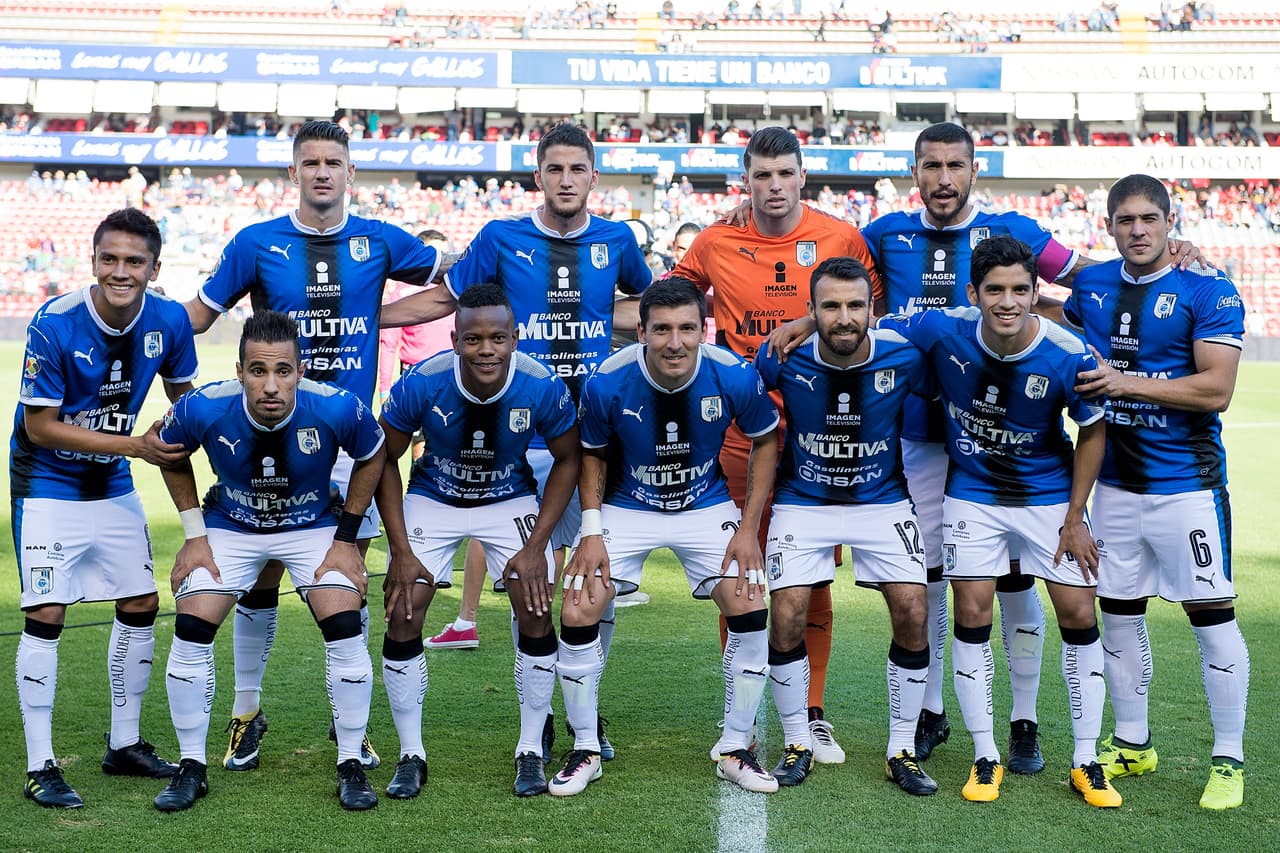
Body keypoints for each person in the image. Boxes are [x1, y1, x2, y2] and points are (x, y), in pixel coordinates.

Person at [764, 120, 1201, 769]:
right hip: (915, 436)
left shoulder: (1017, 232)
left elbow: (1086, 279)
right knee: (933, 580)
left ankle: (1022, 719)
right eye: (931, 166)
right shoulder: (883, 233)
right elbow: (848, 299)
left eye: (955, 166)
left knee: (1017, 579)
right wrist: (806, 316)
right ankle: (932, 711)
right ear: (914, 171)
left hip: (1007, 443)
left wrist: (1170, 255)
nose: (943, 178)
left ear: (975, 171)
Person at [183, 119, 453, 772]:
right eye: (311, 163)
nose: (323, 172)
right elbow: (196, 316)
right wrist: (130, 325)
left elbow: (448, 288)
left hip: (348, 438)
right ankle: (247, 710)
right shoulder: (257, 243)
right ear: (294, 173)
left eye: (335, 161)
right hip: (269, 429)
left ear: (351, 172)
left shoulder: (381, 240)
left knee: (345, 577)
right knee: (262, 574)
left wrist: (374, 316)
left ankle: (348, 724)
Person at [383, 121, 651, 763]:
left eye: (576, 170)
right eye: (553, 169)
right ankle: (542, 721)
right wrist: (369, 318)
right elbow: (447, 302)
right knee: (531, 584)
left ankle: (583, 702)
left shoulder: (617, 240)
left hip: (590, 437)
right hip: (513, 431)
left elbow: (646, 306)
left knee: (591, 578)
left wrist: (596, 318)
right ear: (539, 175)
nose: (565, 180)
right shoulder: (501, 237)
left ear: (593, 176)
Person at [879, 235, 1119, 808]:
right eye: (995, 291)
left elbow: (1093, 429)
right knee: (970, 611)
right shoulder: (942, 329)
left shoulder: (1069, 353)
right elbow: (863, 322)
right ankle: (986, 756)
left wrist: (1075, 516)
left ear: (1036, 292)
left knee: (1079, 611)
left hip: (1047, 496)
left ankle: (1086, 761)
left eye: (1019, 290)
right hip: (974, 495)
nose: (1007, 302)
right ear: (973, 293)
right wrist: (805, 323)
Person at [671, 125, 881, 764]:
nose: (774, 187)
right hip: (740, 434)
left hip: (824, 436)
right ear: (746, 180)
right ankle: (745, 707)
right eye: (761, 176)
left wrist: (806, 321)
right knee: (741, 573)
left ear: (802, 176)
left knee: (812, 580)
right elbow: (671, 302)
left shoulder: (842, 238)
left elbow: (875, 311)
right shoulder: (714, 241)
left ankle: (812, 713)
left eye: (784, 174)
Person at [550, 278, 780, 796]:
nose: (674, 342)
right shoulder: (607, 380)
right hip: (628, 505)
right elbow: (593, 455)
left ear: (704, 329)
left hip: (705, 503)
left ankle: (736, 746)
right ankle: (585, 747)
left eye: (686, 329)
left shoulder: (731, 373)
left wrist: (748, 528)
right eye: (662, 330)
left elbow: (766, 440)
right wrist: (591, 531)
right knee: (579, 604)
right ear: (641, 331)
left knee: (748, 599)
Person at [1063, 174, 1248, 810]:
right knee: (1118, 615)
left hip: (1187, 488)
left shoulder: (1209, 286)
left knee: (1211, 619)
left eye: (1149, 218)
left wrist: (1124, 383)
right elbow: (1020, 292)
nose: (1138, 230)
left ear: (1171, 221)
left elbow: (1215, 388)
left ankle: (1228, 758)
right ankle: (1134, 742)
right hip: (1113, 489)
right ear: (1108, 226)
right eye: (1125, 220)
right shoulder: (1089, 286)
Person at [150, 311, 386, 812]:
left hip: (311, 526)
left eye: (283, 371)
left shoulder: (337, 406)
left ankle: (348, 761)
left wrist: (346, 537)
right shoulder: (203, 405)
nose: (271, 385)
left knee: (344, 624)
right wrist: (195, 535)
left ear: (301, 370)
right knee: (191, 630)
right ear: (239, 372)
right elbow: (168, 450)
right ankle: (191, 765)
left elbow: (374, 455)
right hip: (231, 526)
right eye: (258, 371)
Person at [12, 208, 198, 808]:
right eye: (110, 259)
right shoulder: (54, 321)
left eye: (134, 262)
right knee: (48, 610)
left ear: (154, 267)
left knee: (141, 601)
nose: (121, 271)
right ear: (93, 260)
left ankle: (124, 744)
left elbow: (184, 402)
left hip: (112, 479)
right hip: (47, 482)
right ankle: (41, 763)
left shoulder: (170, 320)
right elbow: (41, 428)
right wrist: (137, 445)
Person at [374, 284, 580, 798]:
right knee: (403, 607)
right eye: (472, 339)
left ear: (515, 337)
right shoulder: (422, 381)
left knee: (534, 606)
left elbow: (569, 459)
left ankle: (530, 748)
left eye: (496, 338)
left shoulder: (541, 384)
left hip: (508, 498)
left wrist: (537, 545)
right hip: (434, 496)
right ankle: (410, 752)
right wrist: (400, 550)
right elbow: (382, 460)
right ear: (454, 338)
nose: (485, 349)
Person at [754, 256, 937, 794]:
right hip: (803, 500)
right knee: (786, 612)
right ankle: (796, 741)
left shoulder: (906, 357)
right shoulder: (781, 358)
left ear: (872, 310)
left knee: (913, 607)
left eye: (855, 305)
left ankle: (901, 748)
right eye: (829, 306)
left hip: (882, 500)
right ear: (809, 310)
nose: (843, 317)